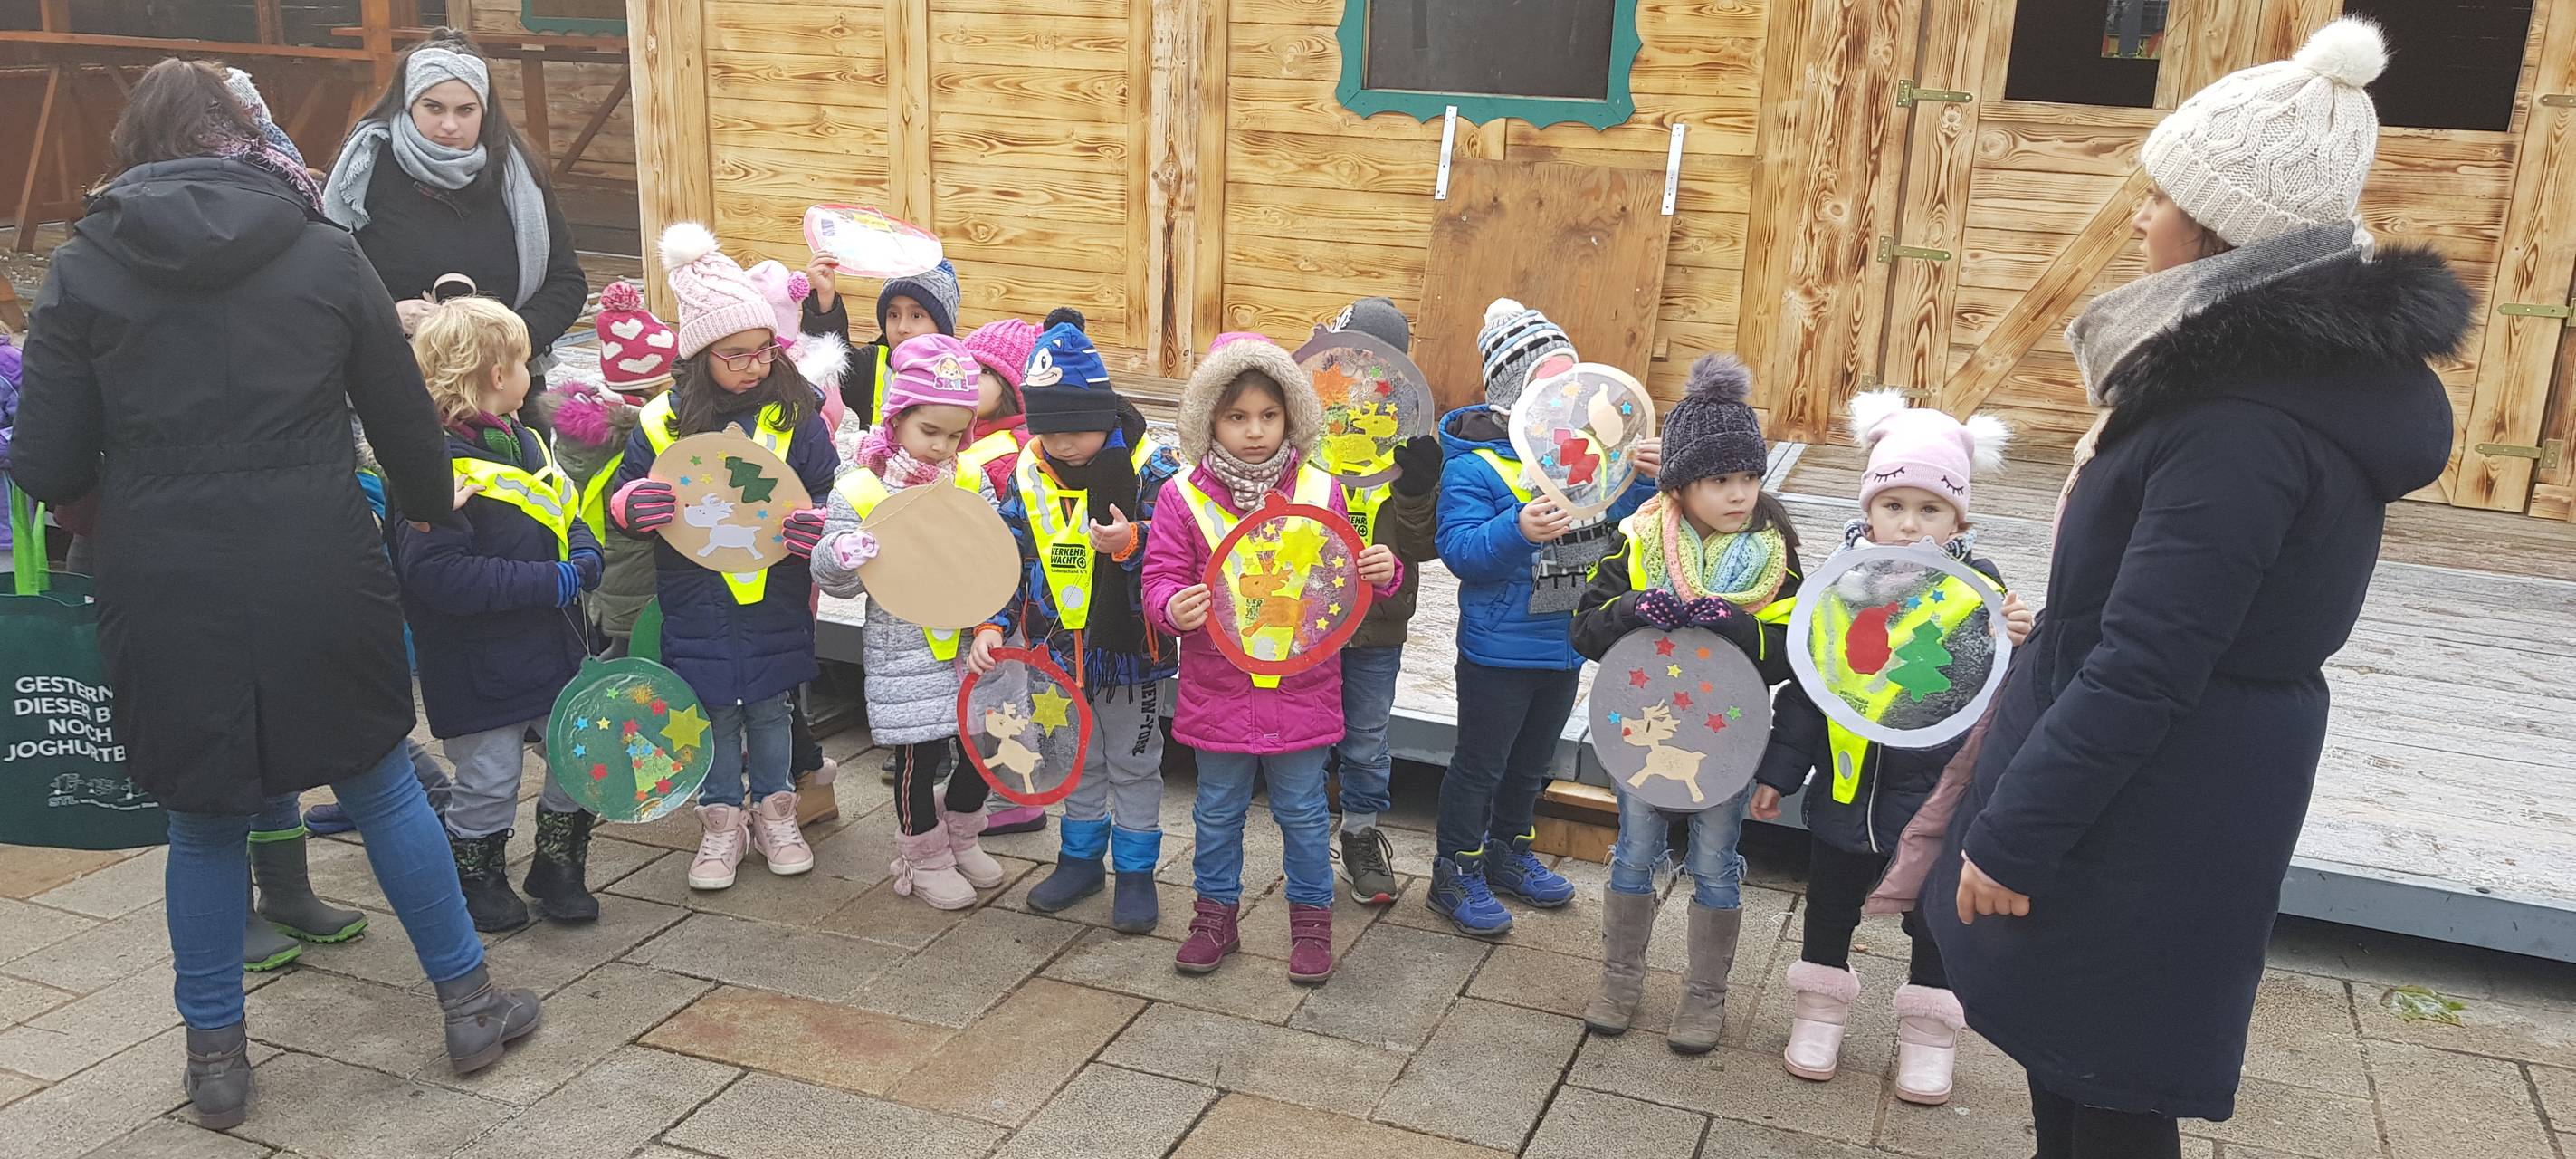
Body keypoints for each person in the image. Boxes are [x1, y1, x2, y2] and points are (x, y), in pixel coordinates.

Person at [1914, 20, 2467, 1157]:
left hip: (2153, 801)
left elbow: (2148, 659)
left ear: (2222, 230)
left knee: (2109, 1090)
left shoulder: (2238, 427)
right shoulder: (2261, 383)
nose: (2138, 216)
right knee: (2078, 1063)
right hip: (2160, 777)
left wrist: (2016, 834)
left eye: (2161, 195)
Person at [12, 58, 541, 1130]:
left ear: (135, 152)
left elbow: (50, 459)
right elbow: (404, 424)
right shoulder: (321, 248)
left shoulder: (83, 265)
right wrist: (426, 508)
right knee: (380, 778)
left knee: (204, 817)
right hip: (317, 556)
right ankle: (468, 1005)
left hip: (163, 569)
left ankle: (215, 1061)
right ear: (245, 138)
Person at [1750, 388, 2028, 1104]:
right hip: (1847, 790)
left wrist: (2021, 642)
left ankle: (1930, 1030)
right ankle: (1819, 1011)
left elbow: (1999, 697)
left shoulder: (1981, 596)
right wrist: (1780, 770)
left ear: (1958, 519)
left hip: (1936, 799)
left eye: (1930, 509)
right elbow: (1810, 691)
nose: (1910, 524)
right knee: (1829, 903)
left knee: (1936, 917)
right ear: (1868, 509)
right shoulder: (1839, 591)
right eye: (1894, 505)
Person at [1142, 333, 1400, 983]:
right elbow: (1159, 575)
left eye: (1268, 415)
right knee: (1216, 813)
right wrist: (1171, 606)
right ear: (1209, 420)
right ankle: (1213, 920)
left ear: (1292, 417)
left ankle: (1312, 927)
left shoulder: (1321, 489)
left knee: (1305, 814)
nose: (1254, 431)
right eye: (1236, 416)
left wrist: (1382, 570)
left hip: (1301, 691)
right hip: (1218, 690)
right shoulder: (1182, 497)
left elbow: (1341, 580)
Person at [1569, 354, 1797, 1054]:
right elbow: (1585, 629)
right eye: (1720, 480)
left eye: (1749, 477)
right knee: (1634, 851)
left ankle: (1704, 996)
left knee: (1716, 861)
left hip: (1726, 740)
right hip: (1643, 730)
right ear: (1680, 484)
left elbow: (1794, 652)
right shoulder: (1637, 542)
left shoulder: (1774, 553)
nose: (1739, 494)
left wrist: (1740, 628)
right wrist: (1634, 609)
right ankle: (1619, 980)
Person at [606, 224, 839, 890]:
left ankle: (777, 813)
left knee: (771, 705)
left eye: (764, 351)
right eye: (735, 355)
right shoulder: (662, 421)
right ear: (700, 354)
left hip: (775, 594)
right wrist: (632, 506)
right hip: (695, 595)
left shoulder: (795, 414)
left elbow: (825, 487)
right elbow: (626, 494)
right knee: (709, 707)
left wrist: (817, 522)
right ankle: (720, 822)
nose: (754, 367)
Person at [1430, 299, 1659, 936]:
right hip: (1498, 650)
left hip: (1564, 642)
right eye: (1547, 385)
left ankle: (1509, 851)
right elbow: (1461, 552)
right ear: (1514, 396)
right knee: (1481, 763)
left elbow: (1624, 525)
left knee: (1533, 762)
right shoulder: (1477, 467)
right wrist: (1517, 527)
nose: (1566, 400)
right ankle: (1455, 869)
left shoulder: (1592, 458)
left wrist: (1644, 481)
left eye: (1571, 381)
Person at [392, 297, 606, 932]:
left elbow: (562, 509)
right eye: (523, 362)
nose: (529, 374)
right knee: (489, 776)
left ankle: (559, 866)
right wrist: (551, 581)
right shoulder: (431, 468)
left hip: (552, 648)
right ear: (495, 374)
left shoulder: (525, 441)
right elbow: (439, 575)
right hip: (476, 662)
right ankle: (477, 875)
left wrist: (585, 550)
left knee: (578, 758)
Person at [991, 322, 1183, 929]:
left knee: (1134, 761)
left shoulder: (1156, 469)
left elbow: (1185, 550)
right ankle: (1079, 860)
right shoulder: (1027, 472)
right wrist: (993, 624)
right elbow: (1007, 556)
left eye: (1075, 427)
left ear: (1104, 413)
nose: (1061, 443)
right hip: (1054, 649)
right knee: (1075, 756)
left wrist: (1134, 541)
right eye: (1047, 430)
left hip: (1132, 653)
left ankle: (1136, 872)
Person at [810, 335, 1010, 910]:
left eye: (955, 435)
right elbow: (833, 578)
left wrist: (990, 623)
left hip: (969, 643)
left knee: (983, 745)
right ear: (897, 418)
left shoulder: (968, 479)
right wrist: (843, 553)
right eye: (930, 431)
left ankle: (962, 832)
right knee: (918, 755)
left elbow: (994, 558)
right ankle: (922, 853)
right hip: (903, 647)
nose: (942, 446)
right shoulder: (861, 488)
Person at [322, 28, 588, 366]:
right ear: (408, 104)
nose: (449, 125)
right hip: (395, 371)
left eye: (465, 110)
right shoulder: (363, 171)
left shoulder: (520, 176)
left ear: (484, 112)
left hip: (504, 374)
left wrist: (512, 338)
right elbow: (327, 275)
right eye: (433, 108)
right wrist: (389, 314)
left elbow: (565, 281)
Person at [1313, 298, 1441, 905]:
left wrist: (1417, 490)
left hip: (1378, 623)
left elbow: (1424, 545)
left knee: (1366, 736)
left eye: (1376, 364)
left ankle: (1360, 835)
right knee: (1307, 735)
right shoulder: (1303, 432)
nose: (1360, 377)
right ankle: (1306, 839)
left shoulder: (1412, 440)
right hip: (1308, 617)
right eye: (1346, 361)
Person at [541, 279, 673, 655]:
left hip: (611, 572)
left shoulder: (591, 435)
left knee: (624, 650)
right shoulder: (643, 435)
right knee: (642, 656)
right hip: (642, 580)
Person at [956, 315, 1050, 837]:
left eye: (982, 372)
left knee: (1001, 696)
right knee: (986, 692)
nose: (966, 379)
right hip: (979, 593)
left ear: (1013, 385)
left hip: (1001, 599)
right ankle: (989, 786)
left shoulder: (1010, 451)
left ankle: (1018, 796)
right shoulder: (981, 439)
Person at [805, 256, 960, 430]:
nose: (902, 328)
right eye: (893, 315)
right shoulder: (872, 364)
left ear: (941, 326)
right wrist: (825, 297)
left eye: (916, 316)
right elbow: (830, 356)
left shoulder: (960, 376)